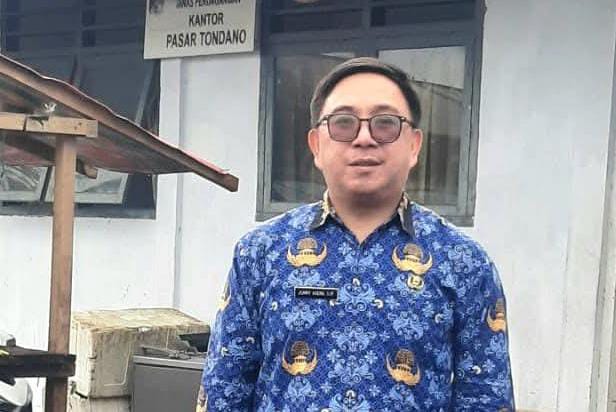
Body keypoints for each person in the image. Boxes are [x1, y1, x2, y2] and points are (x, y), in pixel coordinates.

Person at [197, 57, 514, 411]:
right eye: (343, 123)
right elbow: (224, 391)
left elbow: (486, 397)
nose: (364, 138)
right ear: (316, 145)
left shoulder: (464, 263)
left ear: (414, 145)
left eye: (385, 123)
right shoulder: (260, 253)